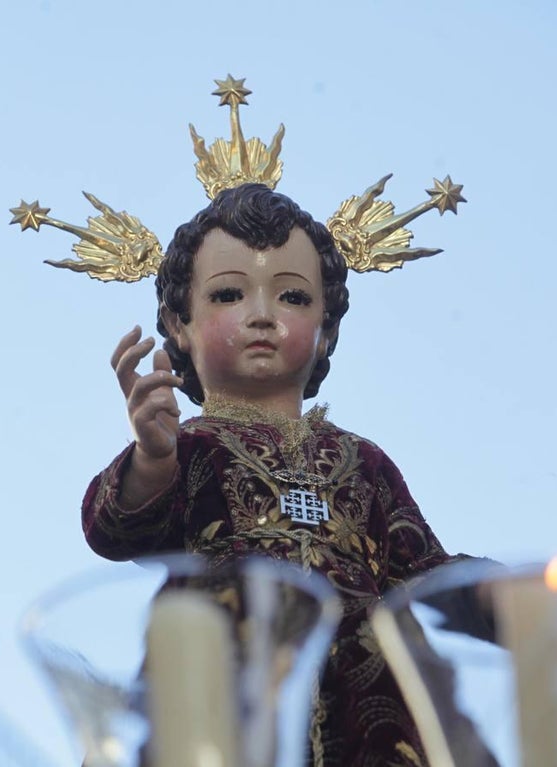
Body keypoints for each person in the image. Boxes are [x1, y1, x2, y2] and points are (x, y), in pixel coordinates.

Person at [81, 183, 485, 766]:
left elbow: (421, 570)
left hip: (370, 705)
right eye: (228, 294)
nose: (263, 316)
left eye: (293, 297)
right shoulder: (191, 445)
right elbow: (114, 528)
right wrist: (152, 457)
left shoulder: (363, 461)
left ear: (327, 327)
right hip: (229, 678)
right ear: (180, 325)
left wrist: (513, 597)